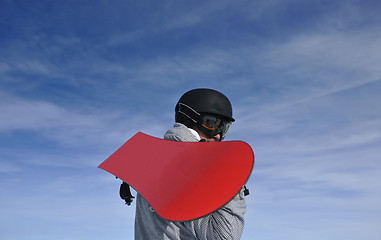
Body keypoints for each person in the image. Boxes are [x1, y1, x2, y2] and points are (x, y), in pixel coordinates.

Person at [134, 88, 248, 240]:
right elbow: (224, 236)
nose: (218, 134)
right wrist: (233, 180)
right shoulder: (189, 170)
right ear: (189, 119)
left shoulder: (152, 162)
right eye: (212, 123)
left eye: (224, 127)